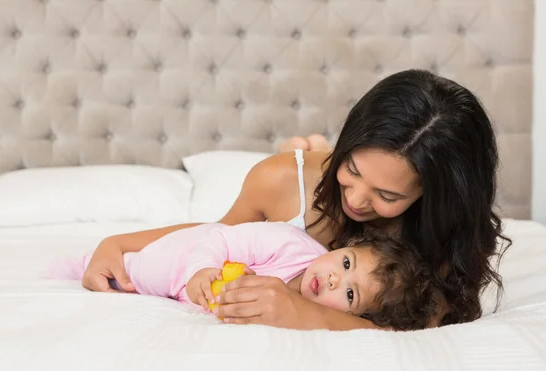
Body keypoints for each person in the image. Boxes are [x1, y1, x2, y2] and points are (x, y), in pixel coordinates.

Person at [80, 69, 510, 330]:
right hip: (300, 176)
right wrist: (121, 243)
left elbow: (421, 330)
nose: (356, 201)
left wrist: (304, 315)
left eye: (386, 194)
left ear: (429, 197)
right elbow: (221, 235)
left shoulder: (435, 244)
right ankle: (311, 146)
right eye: (353, 171)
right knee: (296, 167)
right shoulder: (281, 179)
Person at [50, 222, 438, 331]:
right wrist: (201, 270)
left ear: (354, 316)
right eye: (347, 263)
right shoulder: (290, 244)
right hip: (185, 254)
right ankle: (76, 263)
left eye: (351, 295)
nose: (336, 279)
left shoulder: (309, 315)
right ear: (343, 247)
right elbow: (219, 235)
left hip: (183, 294)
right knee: (137, 273)